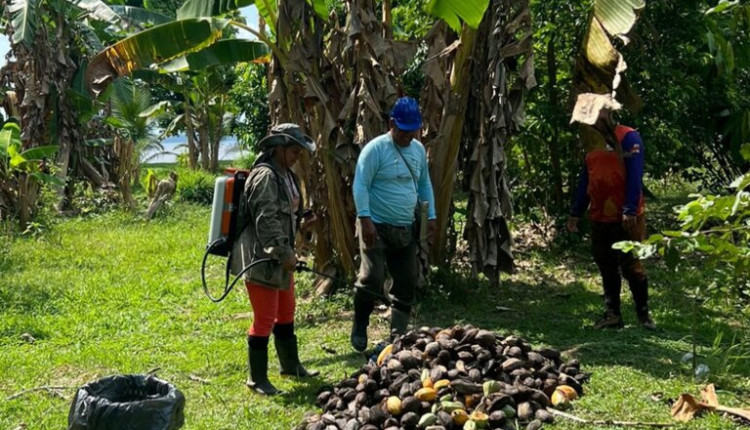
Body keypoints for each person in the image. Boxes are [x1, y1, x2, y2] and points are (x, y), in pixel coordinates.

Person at [230, 123, 319, 395]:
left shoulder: (287, 176)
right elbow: (266, 221)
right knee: (266, 317)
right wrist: (284, 252)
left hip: (282, 257)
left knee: (286, 312)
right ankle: (257, 379)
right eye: (293, 151)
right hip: (262, 258)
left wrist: (304, 221)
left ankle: (290, 366)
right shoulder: (264, 177)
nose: (296, 156)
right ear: (278, 148)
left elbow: (288, 213)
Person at [350, 97, 437, 352]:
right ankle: (360, 322)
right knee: (372, 277)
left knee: (406, 280)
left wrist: (430, 216)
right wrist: (365, 219)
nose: (408, 136)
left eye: (412, 131)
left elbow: (424, 184)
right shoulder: (376, 150)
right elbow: (361, 185)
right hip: (375, 226)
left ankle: (398, 337)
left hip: (405, 228)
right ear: (391, 124)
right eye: (403, 130)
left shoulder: (418, 150)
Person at [567, 99, 655, 330]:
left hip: (627, 216)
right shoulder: (591, 144)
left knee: (631, 265)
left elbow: (635, 176)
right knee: (606, 265)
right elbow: (586, 179)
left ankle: (644, 316)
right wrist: (576, 212)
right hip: (599, 215)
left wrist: (628, 209)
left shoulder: (628, 137)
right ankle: (612, 314)